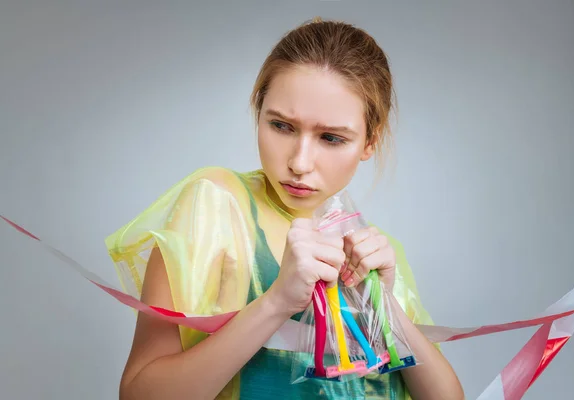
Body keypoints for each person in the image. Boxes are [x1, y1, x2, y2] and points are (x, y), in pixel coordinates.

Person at [106, 17, 464, 400]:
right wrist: (278, 301)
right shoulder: (217, 205)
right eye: (281, 126)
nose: (299, 162)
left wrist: (384, 308)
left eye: (330, 138)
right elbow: (139, 394)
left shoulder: (372, 248)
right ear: (258, 111)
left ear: (369, 142)